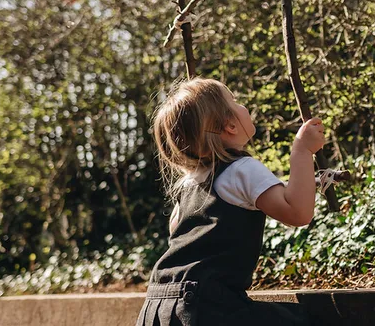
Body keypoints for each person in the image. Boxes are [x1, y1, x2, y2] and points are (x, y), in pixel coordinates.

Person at [136, 77, 325, 326]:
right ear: (230, 126)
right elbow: (297, 212)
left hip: (158, 306)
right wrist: (302, 151)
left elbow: (177, 232)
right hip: (206, 307)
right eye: (234, 102)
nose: (242, 106)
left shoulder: (189, 184)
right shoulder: (242, 169)